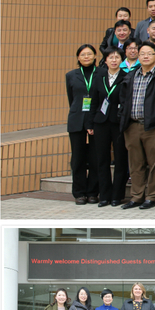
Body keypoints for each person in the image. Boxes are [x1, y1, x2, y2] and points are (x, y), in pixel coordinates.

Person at [119, 41, 155, 210]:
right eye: (142, 54)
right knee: (135, 163)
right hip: (132, 125)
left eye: (149, 53)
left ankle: (152, 196)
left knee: (154, 163)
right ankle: (136, 196)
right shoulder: (131, 75)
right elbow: (123, 100)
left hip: (153, 127)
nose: (145, 56)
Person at [89, 48, 128, 207]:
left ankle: (117, 196)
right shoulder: (99, 77)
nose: (113, 60)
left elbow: (127, 101)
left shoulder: (126, 77)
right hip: (101, 122)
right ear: (105, 60)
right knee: (102, 159)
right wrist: (90, 123)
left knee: (120, 159)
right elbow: (93, 101)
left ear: (121, 60)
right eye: (110, 57)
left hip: (118, 123)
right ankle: (104, 195)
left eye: (117, 57)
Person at [67, 45, 100, 204]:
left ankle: (93, 192)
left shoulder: (102, 73)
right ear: (78, 58)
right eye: (83, 54)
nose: (86, 57)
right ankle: (79, 193)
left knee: (95, 157)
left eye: (89, 54)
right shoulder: (71, 75)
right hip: (76, 119)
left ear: (95, 56)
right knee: (78, 158)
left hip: (96, 120)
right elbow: (71, 98)